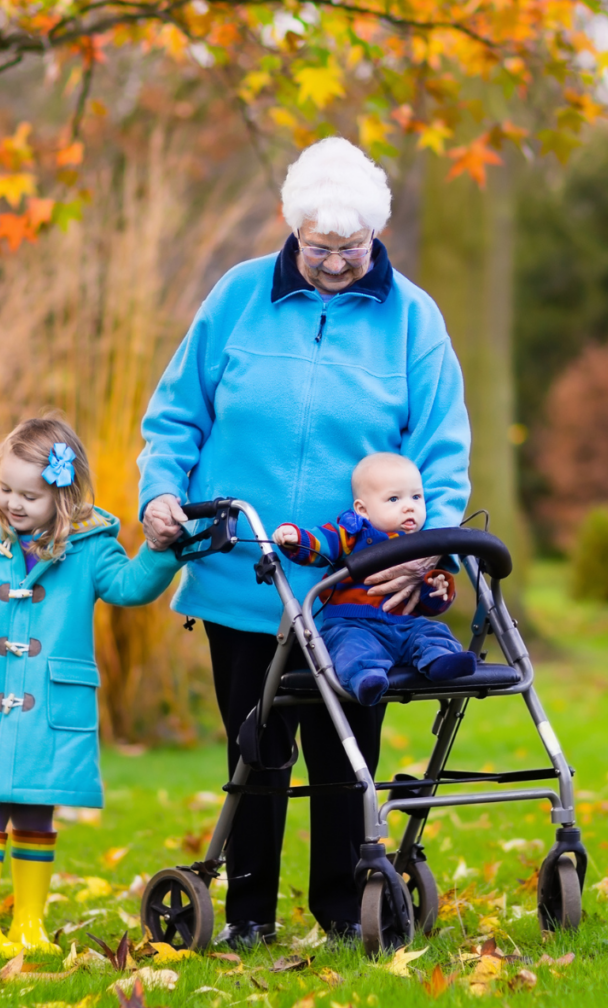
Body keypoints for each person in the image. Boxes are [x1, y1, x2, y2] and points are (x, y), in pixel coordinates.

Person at [138, 136, 470, 947]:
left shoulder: (412, 319)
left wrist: (428, 546)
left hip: (356, 588)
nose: (334, 263)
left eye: (350, 248)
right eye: (319, 248)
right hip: (242, 574)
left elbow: (442, 449)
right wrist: (159, 491)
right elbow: (176, 414)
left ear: (374, 236)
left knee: (343, 747)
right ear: (292, 230)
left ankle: (339, 909)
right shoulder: (239, 296)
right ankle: (248, 916)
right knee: (256, 747)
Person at [0, 417, 180, 956]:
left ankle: (29, 926)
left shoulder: (89, 546)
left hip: (50, 707)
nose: (13, 503)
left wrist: (162, 552)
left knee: (38, 811)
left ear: (63, 495)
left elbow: (130, 586)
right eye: (5, 489)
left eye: (29, 495)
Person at [273, 452, 475, 706]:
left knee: (434, 632)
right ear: (362, 509)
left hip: (405, 625)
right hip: (354, 624)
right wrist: (297, 540)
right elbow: (322, 545)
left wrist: (437, 590)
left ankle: (439, 660)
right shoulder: (353, 531)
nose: (409, 506)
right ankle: (365, 679)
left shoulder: (423, 547)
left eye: (416, 497)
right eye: (393, 498)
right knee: (351, 648)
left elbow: (426, 603)